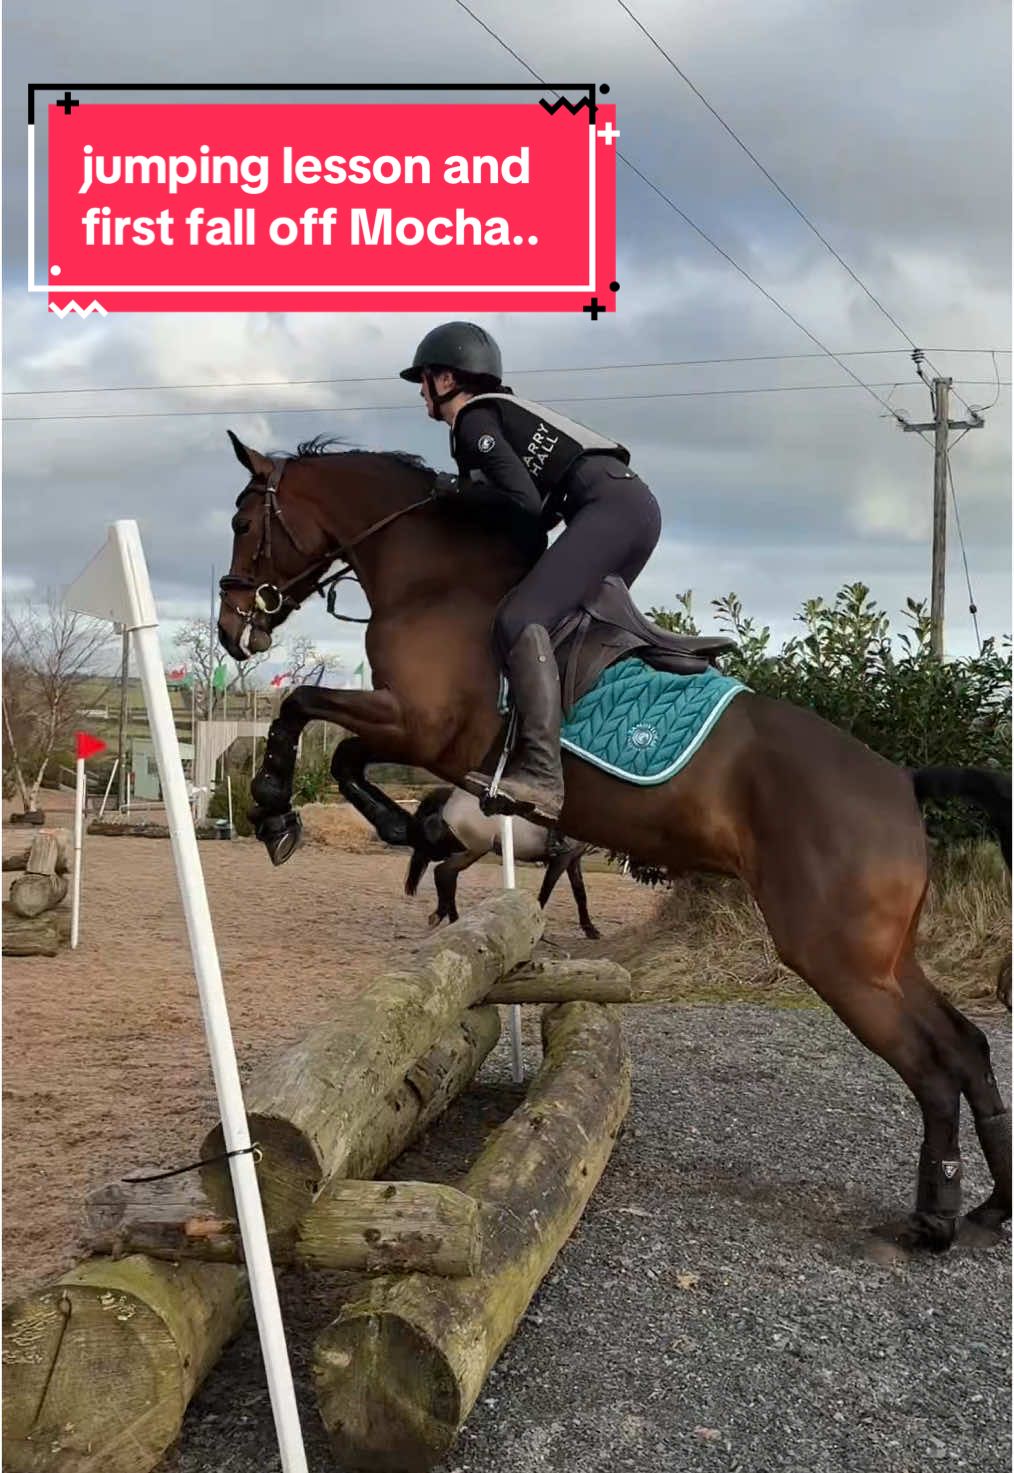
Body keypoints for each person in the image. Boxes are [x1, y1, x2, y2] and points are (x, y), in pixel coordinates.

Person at [401, 321, 662, 823]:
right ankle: (590, 752)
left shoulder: (474, 421)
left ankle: (542, 774)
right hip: (628, 508)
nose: (421, 390)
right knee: (561, 630)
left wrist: (446, 490)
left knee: (519, 620)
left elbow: (518, 503)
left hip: (610, 509)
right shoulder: (500, 416)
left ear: (449, 379)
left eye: (426, 377)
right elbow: (531, 522)